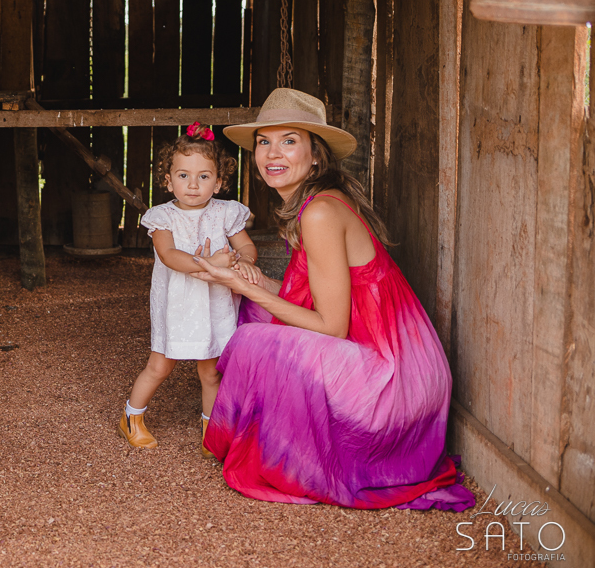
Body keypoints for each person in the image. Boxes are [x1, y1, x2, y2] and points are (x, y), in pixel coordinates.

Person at [193, 88, 475, 510]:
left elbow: (330, 326)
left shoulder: (320, 213)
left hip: (394, 388)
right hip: (393, 367)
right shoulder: (311, 206)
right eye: (264, 142)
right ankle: (290, 437)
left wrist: (248, 286)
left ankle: (293, 456)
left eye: (290, 140)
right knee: (252, 308)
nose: (274, 153)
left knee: (252, 339)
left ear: (316, 155)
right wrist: (235, 277)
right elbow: (299, 297)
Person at [119, 122, 261, 456]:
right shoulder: (162, 217)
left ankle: (211, 430)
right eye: (183, 176)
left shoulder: (227, 212)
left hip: (215, 303)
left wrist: (245, 262)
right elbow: (169, 256)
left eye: (204, 176)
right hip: (177, 304)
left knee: (211, 372)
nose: (193, 185)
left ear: (219, 180)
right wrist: (211, 263)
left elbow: (248, 247)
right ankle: (132, 418)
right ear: (168, 180)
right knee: (160, 366)